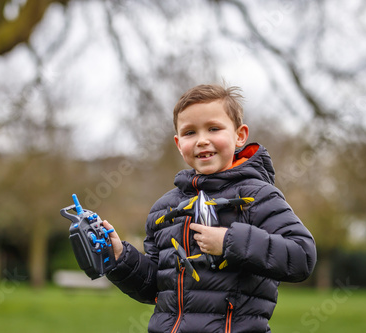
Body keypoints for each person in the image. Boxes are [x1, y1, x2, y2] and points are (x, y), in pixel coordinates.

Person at [103, 83, 317, 333]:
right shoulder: (163, 209)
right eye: (190, 132)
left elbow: (302, 256)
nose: (202, 140)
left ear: (239, 135)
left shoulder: (258, 197)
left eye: (213, 128)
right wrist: (121, 258)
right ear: (178, 142)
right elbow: (155, 289)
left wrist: (229, 242)